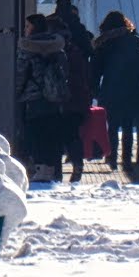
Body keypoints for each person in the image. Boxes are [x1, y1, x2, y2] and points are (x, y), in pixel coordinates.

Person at [91, 11, 139, 168]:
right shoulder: (135, 41)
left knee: (112, 127)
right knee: (127, 127)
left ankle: (112, 159)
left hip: (110, 91)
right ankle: (127, 160)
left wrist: (95, 90)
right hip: (132, 90)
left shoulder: (103, 43)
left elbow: (95, 69)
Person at [16, 13, 69, 182]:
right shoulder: (58, 49)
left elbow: (20, 75)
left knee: (35, 136)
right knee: (52, 136)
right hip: (54, 100)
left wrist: (16, 94)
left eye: (27, 26)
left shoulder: (26, 50)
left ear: (34, 28)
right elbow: (66, 72)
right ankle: (53, 170)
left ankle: (40, 169)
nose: (25, 30)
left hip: (33, 99)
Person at [47, 15, 93, 182]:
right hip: (77, 99)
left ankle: (61, 171)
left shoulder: (57, 52)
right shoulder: (75, 50)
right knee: (72, 135)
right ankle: (76, 165)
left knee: (63, 135)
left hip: (64, 100)